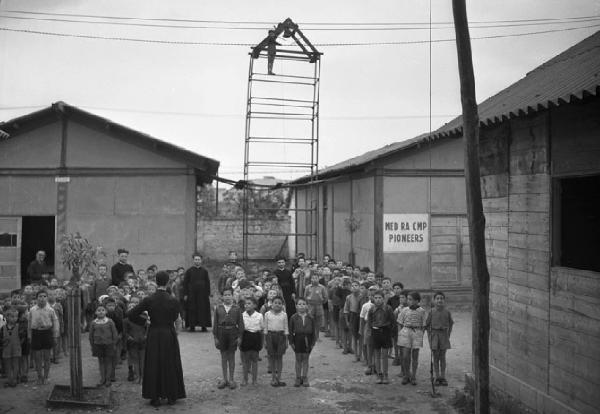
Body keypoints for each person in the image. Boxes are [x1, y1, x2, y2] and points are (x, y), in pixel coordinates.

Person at [127, 271, 186, 406]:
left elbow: (131, 314)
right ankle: (172, 395)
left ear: (156, 281)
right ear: (167, 282)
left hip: (154, 332)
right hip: (168, 333)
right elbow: (176, 316)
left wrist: (145, 322)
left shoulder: (149, 299)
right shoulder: (173, 300)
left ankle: (155, 396)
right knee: (170, 363)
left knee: (154, 363)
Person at [213, 288, 243, 390]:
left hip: (232, 333)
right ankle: (224, 379)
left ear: (232, 296)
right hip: (221, 333)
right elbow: (215, 324)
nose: (227, 297)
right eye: (225, 295)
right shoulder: (218, 308)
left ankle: (231, 379)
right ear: (222, 297)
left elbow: (241, 324)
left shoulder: (237, 308)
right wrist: (215, 337)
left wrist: (239, 337)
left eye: (229, 294)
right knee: (223, 356)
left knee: (231, 356)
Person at [27, 289, 60, 385]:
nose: (42, 298)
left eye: (44, 296)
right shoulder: (32, 310)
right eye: (40, 296)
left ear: (47, 298)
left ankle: (46, 377)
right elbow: (29, 324)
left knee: (46, 356)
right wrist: (29, 335)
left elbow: (55, 322)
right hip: (36, 333)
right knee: (37, 357)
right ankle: (39, 377)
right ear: (36, 298)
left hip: (47, 333)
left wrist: (55, 335)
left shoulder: (50, 310)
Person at [398, 291, 427, 385]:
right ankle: (406, 375)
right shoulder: (404, 310)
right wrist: (400, 332)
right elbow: (399, 322)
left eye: (410, 299)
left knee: (415, 355)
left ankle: (413, 376)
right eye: (408, 299)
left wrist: (421, 334)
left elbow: (424, 324)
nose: (408, 301)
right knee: (406, 355)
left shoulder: (422, 311)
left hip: (417, 332)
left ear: (417, 301)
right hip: (406, 332)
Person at [426, 291, 453, 386]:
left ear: (444, 300)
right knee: (435, 357)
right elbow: (427, 325)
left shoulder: (447, 311)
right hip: (434, 335)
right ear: (434, 300)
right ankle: (437, 377)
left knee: (442, 356)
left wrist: (448, 334)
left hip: (444, 335)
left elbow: (451, 323)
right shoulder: (431, 311)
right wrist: (430, 336)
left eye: (441, 298)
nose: (439, 300)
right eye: (437, 298)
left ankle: (443, 376)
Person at [288, 298, 317, 387]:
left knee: (305, 359)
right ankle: (297, 377)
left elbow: (314, 331)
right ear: (296, 306)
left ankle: (304, 377)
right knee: (298, 359)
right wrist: (291, 342)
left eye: (304, 304)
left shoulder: (311, 317)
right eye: (300, 304)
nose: (302, 306)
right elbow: (290, 331)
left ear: (307, 306)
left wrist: (312, 343)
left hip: (308, 340)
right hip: (297, 339)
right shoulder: (293, 317)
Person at [368, 290, 395, 384]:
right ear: (373, 298)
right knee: (377, 355)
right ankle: (379, 374)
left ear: (383, 299)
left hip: (385, 332)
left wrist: (389, 332)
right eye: (376, 298)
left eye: (380, 298)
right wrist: (371, 332)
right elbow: (369, 322)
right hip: (375, 332)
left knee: (384, 355)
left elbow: (393, 321)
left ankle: (385, 374)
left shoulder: (388, 308)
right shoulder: (371, 309)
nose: (378, 300)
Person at [89, 304, 118, 387]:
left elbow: (114, 333)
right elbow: (91, 335)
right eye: (98, 310)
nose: (101, 312)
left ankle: (108, 379)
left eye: (102, 310)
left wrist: (114, 343)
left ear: (106, 312)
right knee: (101, 361)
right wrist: (92, 345)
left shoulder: (110, 321)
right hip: (98, 345)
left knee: (108, 361)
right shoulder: (93, 323)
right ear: (95, 312)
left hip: (109, 344)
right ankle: (102, 379)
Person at [183, 253, 212, 332]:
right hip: (191, 294)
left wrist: (208, 293)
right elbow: (185, 283)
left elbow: (207, 282)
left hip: (202, 295)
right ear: (193, 260)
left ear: (201, 260)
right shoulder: (189, 271)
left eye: (198, 259)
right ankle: (192, 326)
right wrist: (185, 294)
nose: (197, 261)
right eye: (195, 259)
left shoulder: (204, 271)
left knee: (203, 309)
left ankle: (204, 326)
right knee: (192, 309)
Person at [263, 296, 288, 387]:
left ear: (282, 305)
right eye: (275, 303)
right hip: (270, 336)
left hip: (281, 336)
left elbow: (286, 328)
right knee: (272, 357)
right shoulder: (267, 314)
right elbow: (265, 327)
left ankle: (279, 377)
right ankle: (273, 377)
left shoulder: (284, 315)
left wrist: (286, 340)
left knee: (279, 357)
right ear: (271, 304)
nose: (277, 304)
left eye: (279, 303)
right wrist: (265, 340)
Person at [123, 296, 147, 383]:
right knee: (135, 360)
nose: (132, 308)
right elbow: (124, 332)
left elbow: (147, 328)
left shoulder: (144, 319)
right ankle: (137, 376)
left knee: (143, 360)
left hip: (143, 341)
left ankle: (143, 377)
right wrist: (129, 337)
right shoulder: (126, 320)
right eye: (130, 307)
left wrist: (145, 336)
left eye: (134, 307)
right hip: (132, 342)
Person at [240, 297, 263, 386]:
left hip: (255, 337)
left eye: (249, 303)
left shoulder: (259, 316)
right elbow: (240, 329)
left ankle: (254, 380)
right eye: (245, 304)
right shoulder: (242, 315)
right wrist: (240, 340)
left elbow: (261, 330)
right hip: (246, 336)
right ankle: (245, 379)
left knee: (254, 360)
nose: (247, 305)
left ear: (255, 305)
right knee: (245, 361)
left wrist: (261, 342)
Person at [1, 308, 27, 387]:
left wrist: (19, 344)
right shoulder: (2, 328)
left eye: (16, 316)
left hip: (16, 349)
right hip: (6, 350)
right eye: (12, 316)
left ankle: (15, 379)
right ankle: (9, 379)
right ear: (7, 317)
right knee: (7, 365)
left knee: (16, 365)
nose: (14, 318)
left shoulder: (19, 327)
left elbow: (23, 337)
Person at [304, 273, 327, 341]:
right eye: (313, 278)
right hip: (310, 306)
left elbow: (325, 297)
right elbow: (305, 297)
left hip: (319, 305)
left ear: (318, 279)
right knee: (310, 321)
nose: (314, 279)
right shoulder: (308, 287)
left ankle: (317, 336)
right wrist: (308, 303)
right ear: (311, 279)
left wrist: (321, 302)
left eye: (316, 278)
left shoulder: (322, 287)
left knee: (318, 322)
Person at [343, 281, 361, 357]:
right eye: (352, 286)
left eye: (356, 285)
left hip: (360, 316)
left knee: (361, 336)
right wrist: (347, 321)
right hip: (353, 316)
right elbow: (346, 310)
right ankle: (356, 355)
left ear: (359, 287)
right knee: (354, 335)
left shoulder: (362, 296)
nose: (354, 287)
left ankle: (360, 353)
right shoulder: (349, 297)